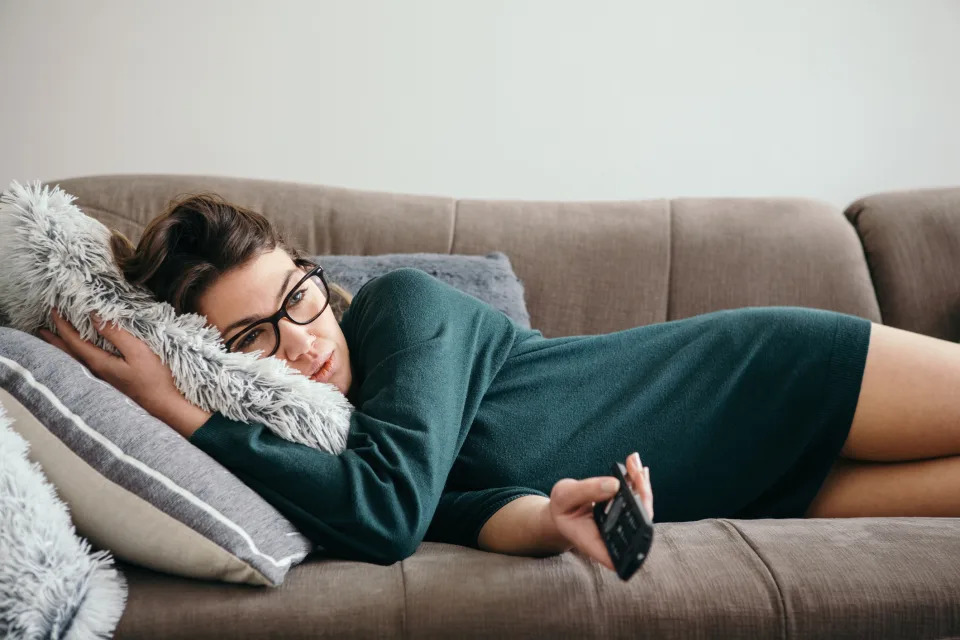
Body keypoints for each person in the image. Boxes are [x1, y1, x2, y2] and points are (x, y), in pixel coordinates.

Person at [38, 194, 960, 573]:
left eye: (300, 298)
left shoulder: (403, 313)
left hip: (769, 378)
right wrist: (549, 521)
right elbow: (454, 510)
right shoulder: (353, 445)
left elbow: (388, 517)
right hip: (770, 490)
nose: (302, 342)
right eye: (254, 336)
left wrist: (177, 408)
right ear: (219, 355)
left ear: (318, 276)